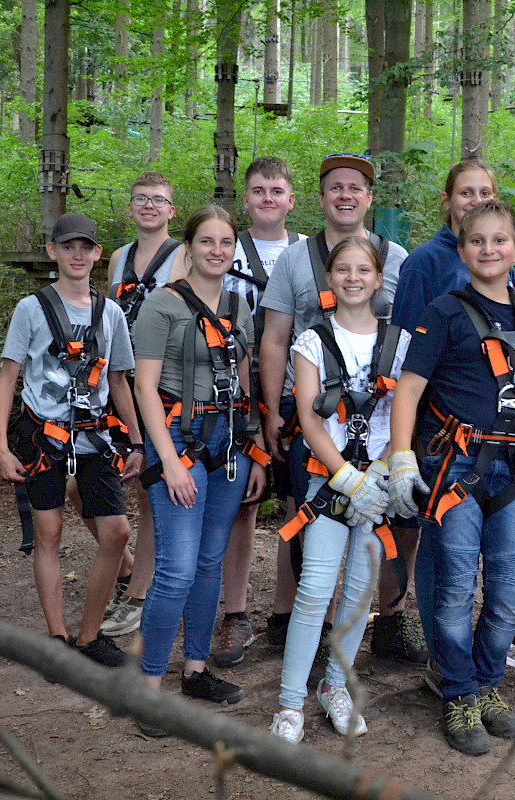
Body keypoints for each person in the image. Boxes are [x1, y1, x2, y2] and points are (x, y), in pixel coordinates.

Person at [391, 160, 515, 685]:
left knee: (508, 589)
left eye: (501, 241)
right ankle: (456, 687)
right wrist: (402, 457)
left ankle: (486, 683)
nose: (490, 249)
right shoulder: (442, 310)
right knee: (453, 583)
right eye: (478, 241)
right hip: (456, 467)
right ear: (462, 248)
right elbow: (408, 387)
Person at [259, 152, 427, 665]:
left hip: (381, 413)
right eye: (336, 187)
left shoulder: (397, 258)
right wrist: (271, 410)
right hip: (311, 406)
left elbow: (410, 340)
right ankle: (302, 622)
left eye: (356, 187)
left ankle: (389, 619)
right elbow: (274, 337)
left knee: (395, 513)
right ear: (322, 197)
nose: (346, 195)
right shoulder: (294, 259)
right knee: (307, 511)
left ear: (369, 198)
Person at [269, 237, 410, 743]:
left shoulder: (399, 342)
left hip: (380, 478)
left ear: (378, 279)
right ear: (330, 279)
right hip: (327, 483)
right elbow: (308, 415)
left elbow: (404, 411)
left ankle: (336, 686)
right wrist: (345, 477)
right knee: (314, 589)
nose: (353, 278)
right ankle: (290, 703)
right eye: (343, 270)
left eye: (363, 270)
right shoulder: (312, 340)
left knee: (358, 591)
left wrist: (386, 471)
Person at [131, 206, 267, 719]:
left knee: (210, 562)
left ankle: (194, 668)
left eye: (226, 243)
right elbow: (144, 386)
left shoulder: (239, 306)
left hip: (227, 445)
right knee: (177, 568)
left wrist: (253, 448)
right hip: (178, 441)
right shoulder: (161, 306)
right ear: (188, 247)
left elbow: (247, 381)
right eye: (207, 242)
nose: (217, 251)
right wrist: (167, 460)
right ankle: (147, 688)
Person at [0, 212, 143, 668]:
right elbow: (8, 377)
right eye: (68, 246)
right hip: (43, 437)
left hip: (94, 436)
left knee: (116, 533)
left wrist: (136, 442)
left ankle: (89, 635)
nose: (77, 255)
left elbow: (118, 381)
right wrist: (1, 445)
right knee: (49, 532)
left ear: (98, 255)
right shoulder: (31, 309)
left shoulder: (110, 313)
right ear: (52, 251)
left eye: (86, 247)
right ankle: (57, 638)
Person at [214, 157, 305, 668]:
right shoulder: (225, 249)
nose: (268, 198)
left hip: (297, 393)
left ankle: (286, 613)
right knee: (242, 503)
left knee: (299, 501)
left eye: (277, 190)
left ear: (292, 200)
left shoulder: (308, 254)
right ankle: (235, 612)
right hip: (234, 391)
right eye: (258, 191)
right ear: (245, 200)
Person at [98, 170, 186, 638]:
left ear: (172, 210)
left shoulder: (182, 257)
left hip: (158, 382)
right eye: (140, 199)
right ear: (130, 207)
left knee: (149, 494)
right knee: (88, 484)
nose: (149, 206)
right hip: (116, 382)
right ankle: (131, 567)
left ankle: (139, 594)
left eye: (159, 199)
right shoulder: (117, 258)